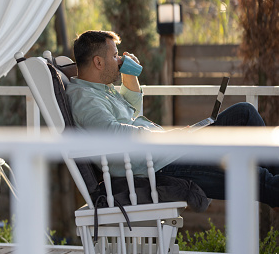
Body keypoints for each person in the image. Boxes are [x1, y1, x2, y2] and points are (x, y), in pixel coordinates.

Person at [66, 30, 279, 210]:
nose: (120, 60)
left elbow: (131, 113)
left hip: (169, 150)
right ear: (98, 62)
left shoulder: (101, 90)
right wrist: (165, 137)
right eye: (115, 56)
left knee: (244, 112)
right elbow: (116, 135)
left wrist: (130, 76)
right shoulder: (85, 100)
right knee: (256, 176)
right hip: (161, 165)